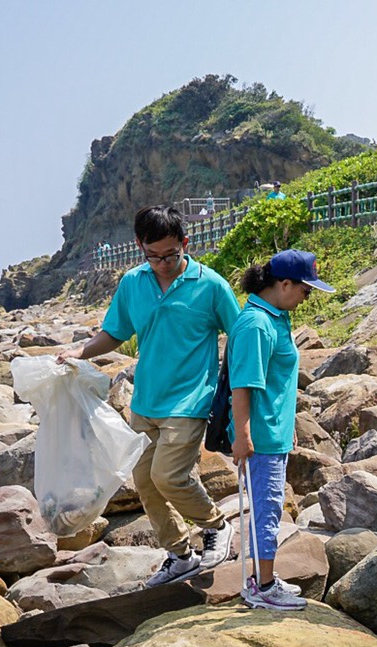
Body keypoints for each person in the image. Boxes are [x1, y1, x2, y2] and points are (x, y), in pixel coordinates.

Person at [57, 205, 240, 588]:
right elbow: (115, 332)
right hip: (144, 402)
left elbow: (240, 336)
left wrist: (245, 395)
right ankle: (179, 554)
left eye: (171, 255)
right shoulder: (132, 283)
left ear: (185, 244)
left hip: (190, 400)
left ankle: (216, 526)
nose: (162, 263)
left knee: (168, 476)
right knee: (144, 481)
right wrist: (79, 352)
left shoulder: (211, 285)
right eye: (153, 255)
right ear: (140, 245)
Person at [228, 250, 333, 611]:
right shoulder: (256, 324)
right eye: (306, 290)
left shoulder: (276, 317)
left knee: (269, 505)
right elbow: (243, 385)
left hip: (274, 431)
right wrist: (242, 436)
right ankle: (262, 586)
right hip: (260, 438)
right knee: (267, 507)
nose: (307, 298)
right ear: (284, 284)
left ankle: (266, 579)